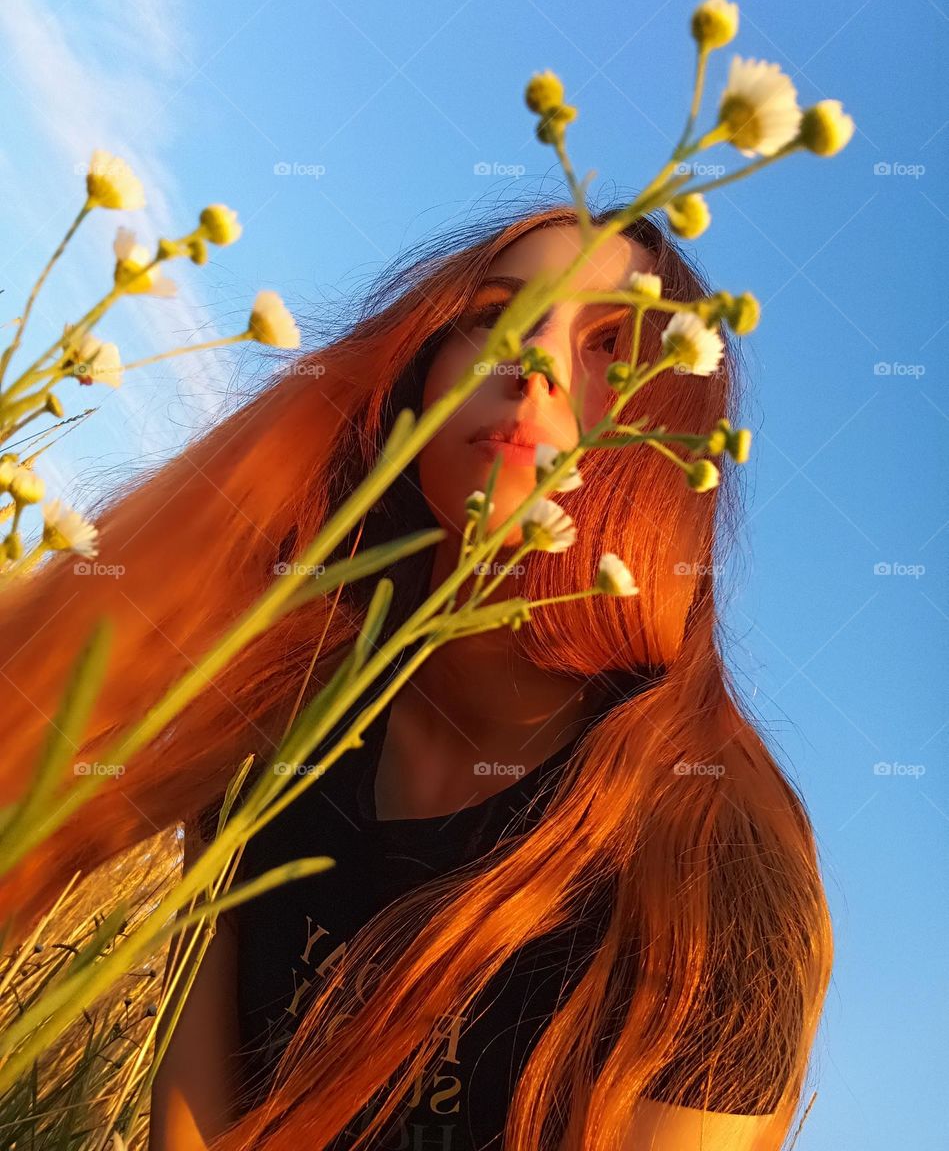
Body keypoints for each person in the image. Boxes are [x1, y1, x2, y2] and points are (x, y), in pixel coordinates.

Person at [0, 204, 832, 1151]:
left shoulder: (709, 865)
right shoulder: (281, 718)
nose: (535, 363)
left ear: (674, 443)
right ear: (416, 375)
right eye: (495, 318)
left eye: (614, 345)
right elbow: (193, 1106)